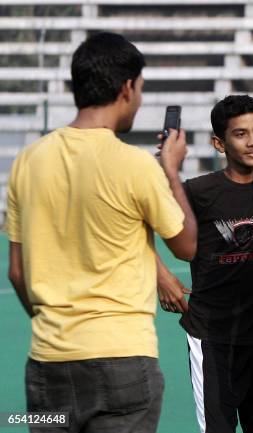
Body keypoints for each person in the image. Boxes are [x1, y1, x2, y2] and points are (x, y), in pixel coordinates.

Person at [6, 32, 197, 432]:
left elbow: (17, 273)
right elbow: (187, 246)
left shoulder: (28, 161)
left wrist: (55, 325)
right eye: (140, 89)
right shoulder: (135, 165)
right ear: (127, 88)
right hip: (123, 363)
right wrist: (172, 171)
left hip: (46, 364)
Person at [156, 95, 253, 433]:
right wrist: (160, 276)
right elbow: (132, 220)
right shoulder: (198, 191)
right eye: (240, 134)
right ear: (219, 143)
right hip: (213, 338)